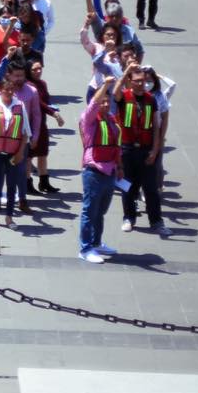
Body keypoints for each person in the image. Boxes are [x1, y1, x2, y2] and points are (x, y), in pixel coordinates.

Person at [77, 77, 123, 264]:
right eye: (102, 101)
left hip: (110, 171)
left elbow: (116, 145)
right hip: (93, 171)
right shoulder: (89, 119)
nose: (105, 104)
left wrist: (119, 167)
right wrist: (105, 85)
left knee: (101, 211)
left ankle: (96, 242)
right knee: (90, 211)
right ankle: (85, 248)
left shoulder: (111, 120)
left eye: (107, 101)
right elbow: (94, 103)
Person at [116, 63, 165, 234]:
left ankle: (157, 221)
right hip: (127, 149)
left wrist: (155, 150)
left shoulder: (151, 99)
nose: (140, 84)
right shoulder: (124, 97)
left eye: (142, 81)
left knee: (151, 188)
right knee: (127, 187)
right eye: (136, 81)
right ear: (130, 81)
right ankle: (128, 218)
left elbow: (156, 127)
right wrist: (126, 71)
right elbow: (115, 92)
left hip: (145, 149)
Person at [0, 77, 31, 229]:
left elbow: (25, 132)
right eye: (6, 89)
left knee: (11, 184)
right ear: (0, 89)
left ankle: (9, 217)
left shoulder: (20, 105)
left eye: (12, 89)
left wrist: (20, 153)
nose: (9, 92)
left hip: (13, 151)